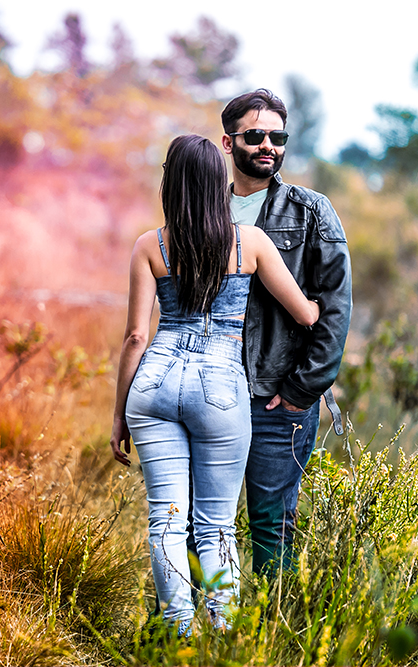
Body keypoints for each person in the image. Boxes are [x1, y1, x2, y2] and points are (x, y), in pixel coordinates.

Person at [110, 134, 320, 634]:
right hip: (220, 389)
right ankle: (223, 634)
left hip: (154, 384)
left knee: (165, 520)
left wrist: (119, 414)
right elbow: (305, 314)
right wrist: (315, 305)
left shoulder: (149, 245)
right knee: (215, 526)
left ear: (170, 183)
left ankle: (179, 631)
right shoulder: (249, 243)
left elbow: (137, 336)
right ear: (216, 185)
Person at [220, 89, 352, 575]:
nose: (268, 146)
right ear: (228, 142)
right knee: (200, 521)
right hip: (210, 389)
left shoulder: (312, 211)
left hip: (277, 397)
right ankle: (189, 634)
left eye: (278, 136)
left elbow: (334, 307)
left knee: (271, 527)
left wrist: (301, 390)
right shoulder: (204, 208)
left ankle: (273, 635)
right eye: (255, 135)